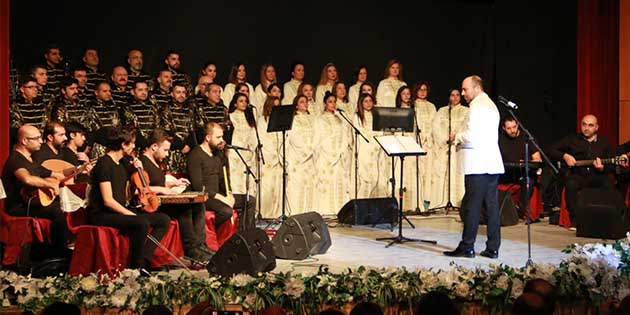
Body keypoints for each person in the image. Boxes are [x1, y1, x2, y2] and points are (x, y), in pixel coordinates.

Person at [86, 126, 170, 270]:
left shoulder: (124, 163)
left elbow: (133, 187)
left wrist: (138, 167)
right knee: (141, 222)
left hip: (119, 210)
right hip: (102, 213)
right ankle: (135, 266)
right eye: (132, 143)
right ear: (123, 144)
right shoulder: (104, 164)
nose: (134, 147)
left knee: (163, 220)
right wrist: (130, 214)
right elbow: (108, 200)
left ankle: (145, 258)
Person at [444, 75, 503, 259]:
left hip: (478, 164)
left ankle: (467, 246)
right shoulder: (491, 105)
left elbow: (471, 135)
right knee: (491, 207)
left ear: (476, 88)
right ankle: (493, 247)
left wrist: (457, 136)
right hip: (491, 163)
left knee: (472, 207)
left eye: (465, 89)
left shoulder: (477, 106)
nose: (463, 93)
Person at [139, 129, 212, 262]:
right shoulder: (143, 162)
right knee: (184, 208)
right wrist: (163, 189)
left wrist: (174, 184)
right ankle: (191, 249)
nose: (167, 154)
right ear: (154, 146)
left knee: (198, 204)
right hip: (153, 204)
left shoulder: (156, 162)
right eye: (165, 150)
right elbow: (141, 188)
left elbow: (160, 182)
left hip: (162, 199)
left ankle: (200, 245)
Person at [1, 125, 70, 257]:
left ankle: (56, 249)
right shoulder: (15, 159)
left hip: (34, 201)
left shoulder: (32, 159)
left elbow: (55, 174)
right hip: (19, 206)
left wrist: (75, 172)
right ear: (24, 141)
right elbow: (27, 179)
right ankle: (58, 253)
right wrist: (49, 185)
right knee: (58, 210)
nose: (41, 141)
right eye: (37, 138)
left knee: (65, 204)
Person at [548, 114, 616, 229]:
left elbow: (612, 166)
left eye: (590, 125)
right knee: (571, 183)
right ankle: (576, 220)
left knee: (608, 184)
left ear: (596, 127)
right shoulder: (572, 139)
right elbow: (550, 149)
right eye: (584, 124)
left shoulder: (604, 143)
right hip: (578, 175)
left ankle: (605, 219)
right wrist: (565, 156)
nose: (586, 128)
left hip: (597, 176)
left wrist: (602, 168)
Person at [187, 122, 254, 231]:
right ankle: (210, 231)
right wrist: (220, 197)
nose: (222, 140)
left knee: (250, 201)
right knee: (226, 211)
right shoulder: (195, 155)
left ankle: (246, 235)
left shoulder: (218, 154)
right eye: (218, 137)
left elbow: (223, 179)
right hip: (207, 197)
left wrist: (230, 195)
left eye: (222, 136)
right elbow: (197, 186)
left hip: (220, 195)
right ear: (208, 137)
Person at [431, 88, 468, 209]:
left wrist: (456, 137)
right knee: (444, 173)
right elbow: (436, 127)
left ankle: (458, 202)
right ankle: (444, 201)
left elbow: (467, 126)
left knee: (458, 175)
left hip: (458, 147)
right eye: (453, 95)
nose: (456, 97)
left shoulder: (466, 111)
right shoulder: (442, 110)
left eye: (458, 95)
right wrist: (445, 138)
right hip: (445, 147)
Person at [314, 91, 350, 215]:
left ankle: (339, 210)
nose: (333, 104)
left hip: (339, 154)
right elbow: (320, 137)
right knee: (327, 181)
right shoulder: (320, 119)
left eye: (334, 102)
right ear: (324, 103)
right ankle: (327, 210)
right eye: (330, 102)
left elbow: (345, 135)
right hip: (326, 155)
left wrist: (341, 149)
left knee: (339, 181)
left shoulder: (341, 118)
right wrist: (330, 152)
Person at [499, 117, 543, 218]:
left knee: (528, 180)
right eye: (509, 128)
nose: (512, 131)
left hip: (524, 172)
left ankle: (520, 207)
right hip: (506, 172)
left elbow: (537, 159)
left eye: (514, 127)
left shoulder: (527, 138)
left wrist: (527, 162)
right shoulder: (500, 139)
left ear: (518, 125)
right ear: (504, 128)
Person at [287, 94, 316, 214]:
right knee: (298, 183)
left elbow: (317, 134)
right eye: (302, 102)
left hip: (311, 156)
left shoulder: (311, 118)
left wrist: (312, 146)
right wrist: (305, 149)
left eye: (306, 102)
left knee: (309, 184)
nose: (305, 104)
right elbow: (294, 136)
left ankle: (307, 211)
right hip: (298, 156)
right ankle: (296, 212)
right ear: (297, 105)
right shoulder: (293, 118)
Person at [353, 93, 386, 198]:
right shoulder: (357, 116)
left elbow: (381, 131)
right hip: (365, 149)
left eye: (370, 101)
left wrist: (376, 142)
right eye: (365, 101)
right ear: (361, 103)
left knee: (377, 175)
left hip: (376, 148)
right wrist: (370, 141)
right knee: (365, 176)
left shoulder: (377, 116)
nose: (368, 103)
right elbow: (360, 133)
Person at [227, 93, 257, 198]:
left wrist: (252, 145)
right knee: (237, 177)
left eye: (245, 101)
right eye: (241, 101)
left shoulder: (250, 117)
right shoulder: (231, 116)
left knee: (248, 176)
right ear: (235, 104)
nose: (244, 103)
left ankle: (249, 200)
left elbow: (253, 133)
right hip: (236, 151)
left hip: (248, 150)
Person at [257, 96, 282, 218]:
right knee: (267, 186)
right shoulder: (263, 120)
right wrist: (272, 154)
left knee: (276, 186)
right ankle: (265, 213)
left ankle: (276, 213)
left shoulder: (279, 120)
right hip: (268, 158)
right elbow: (263, 139)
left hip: (278, 158)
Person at [412, 82, 437, 209]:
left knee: (428, 172)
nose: (422, 92)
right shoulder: (413, 105)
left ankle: (427, 201)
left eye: (425, 89)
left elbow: (435, 124)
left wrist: (429, 136)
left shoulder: (431, 106)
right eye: (420, 89)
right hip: (417, 142)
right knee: (418, 172)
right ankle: (417, 201)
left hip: (429, 143)